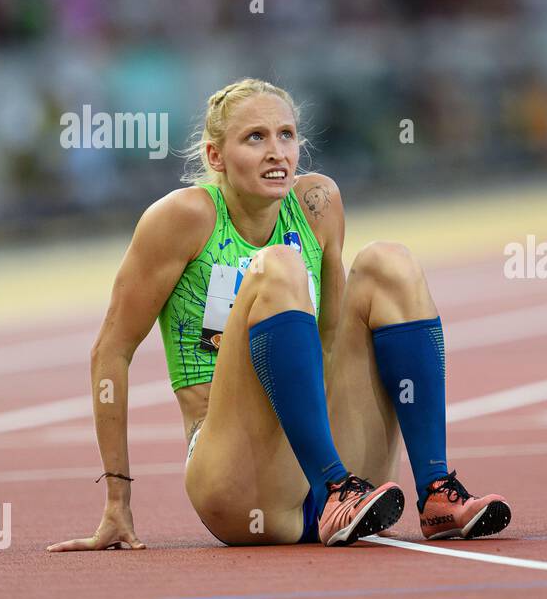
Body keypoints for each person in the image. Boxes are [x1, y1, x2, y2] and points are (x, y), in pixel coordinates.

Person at [48, 78, 510, 551]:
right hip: (240, 480)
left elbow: (333, 341)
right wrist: (117, 500)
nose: (277, 152)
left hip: (339, 468)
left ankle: (435, 492)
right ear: (215, 157)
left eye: (286, 135)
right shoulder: (183, 219)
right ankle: (333, 487)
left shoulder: (318, 205)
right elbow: (111, 350)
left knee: (389, 261)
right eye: (255, 138)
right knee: (279, 263)